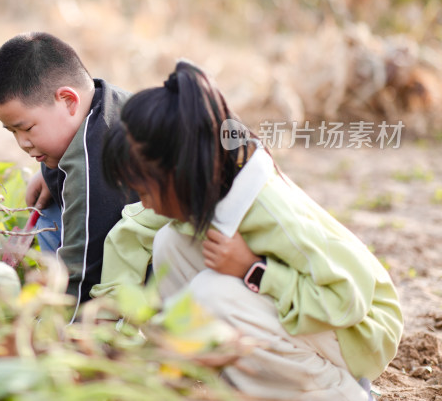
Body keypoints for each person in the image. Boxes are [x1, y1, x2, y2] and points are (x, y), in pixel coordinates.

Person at [101, 59, 403, 400]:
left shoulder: (271, 211)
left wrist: (252, 270)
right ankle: (239, 376)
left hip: (361, 332)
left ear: (179, 173)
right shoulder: (204, 190)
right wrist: (111, 331)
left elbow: (348, 298)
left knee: (212, 296)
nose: (146, 204)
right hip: (317, 315)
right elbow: (132, 231)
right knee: (170, 242)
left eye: (144, 192)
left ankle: (339, 391)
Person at [0, 32, 136, 319]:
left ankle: (83, 314)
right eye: (12, 132)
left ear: (67, 100)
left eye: (26, 128)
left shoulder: (93, 164)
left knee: (78, 279)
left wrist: (55, 326)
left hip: (187, 252)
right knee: (51, 204)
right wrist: (50, 171)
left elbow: (85, 268)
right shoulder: (101, 102)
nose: (22, 143)